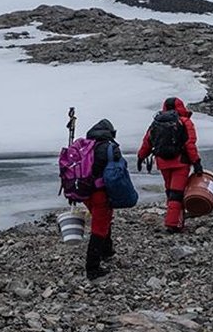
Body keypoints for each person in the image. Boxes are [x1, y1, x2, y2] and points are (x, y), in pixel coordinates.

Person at [137, 97, 203, 233]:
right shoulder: (184, 122)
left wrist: (141, 157)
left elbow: (147, 141)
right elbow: (189, 144)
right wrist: (196, 162)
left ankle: (174, 219)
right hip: (180, 162)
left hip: (162, 162)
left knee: (170, 192)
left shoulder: (157, 122)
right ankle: (174, 224)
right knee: (177, 194)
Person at [83, 118, 121, 280]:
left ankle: (107, 250)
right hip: (100, 192)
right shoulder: (109, 148)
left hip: (85, 192)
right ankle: (92, 268)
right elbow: (118, 173)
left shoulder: (85, 147)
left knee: (104, 221)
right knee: (99, 227)